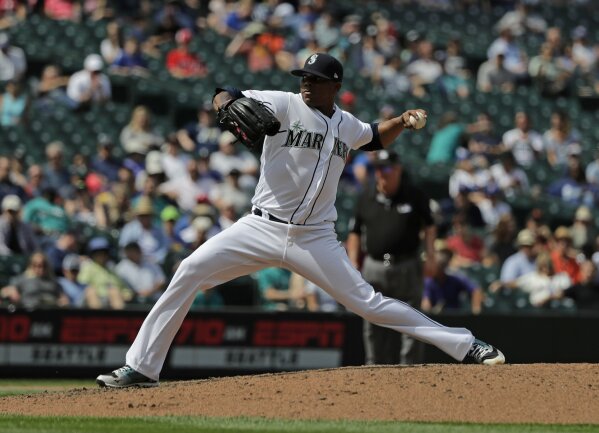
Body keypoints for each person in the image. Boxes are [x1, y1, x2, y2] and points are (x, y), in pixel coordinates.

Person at [97, 52, 505, 388]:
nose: (306, 83)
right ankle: (141, 367)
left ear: (335, 87)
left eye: (315, 78)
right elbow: (225, 93)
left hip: (315, 238)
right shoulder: (283, 102)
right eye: (304, 77)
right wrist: (224, 104)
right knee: (189, 270)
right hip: (260, 226)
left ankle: (466, 345)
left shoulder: (345, 123)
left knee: (369, 304)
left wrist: (401, 120)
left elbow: (374, 136)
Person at [347, 149, 435, 365]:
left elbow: (430, 226)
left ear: (398, 169)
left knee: (412, 318)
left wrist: (430, 255)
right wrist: (352, 261)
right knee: (372, 318)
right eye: (378, 168)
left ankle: (411, 367)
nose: (382, 173)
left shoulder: (414, 195)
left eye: (386, 168)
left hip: (407, 264)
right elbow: (355, 232)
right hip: (374, 265)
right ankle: (374, 366)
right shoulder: (366, 196)